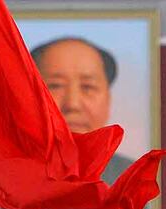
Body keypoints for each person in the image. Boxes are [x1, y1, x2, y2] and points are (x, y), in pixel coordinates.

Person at [31, 37, 133, 185]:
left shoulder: (133, 178)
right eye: (55, 86)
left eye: (88, 87)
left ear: (108, 100)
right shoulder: (2, 183)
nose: (73, 104)